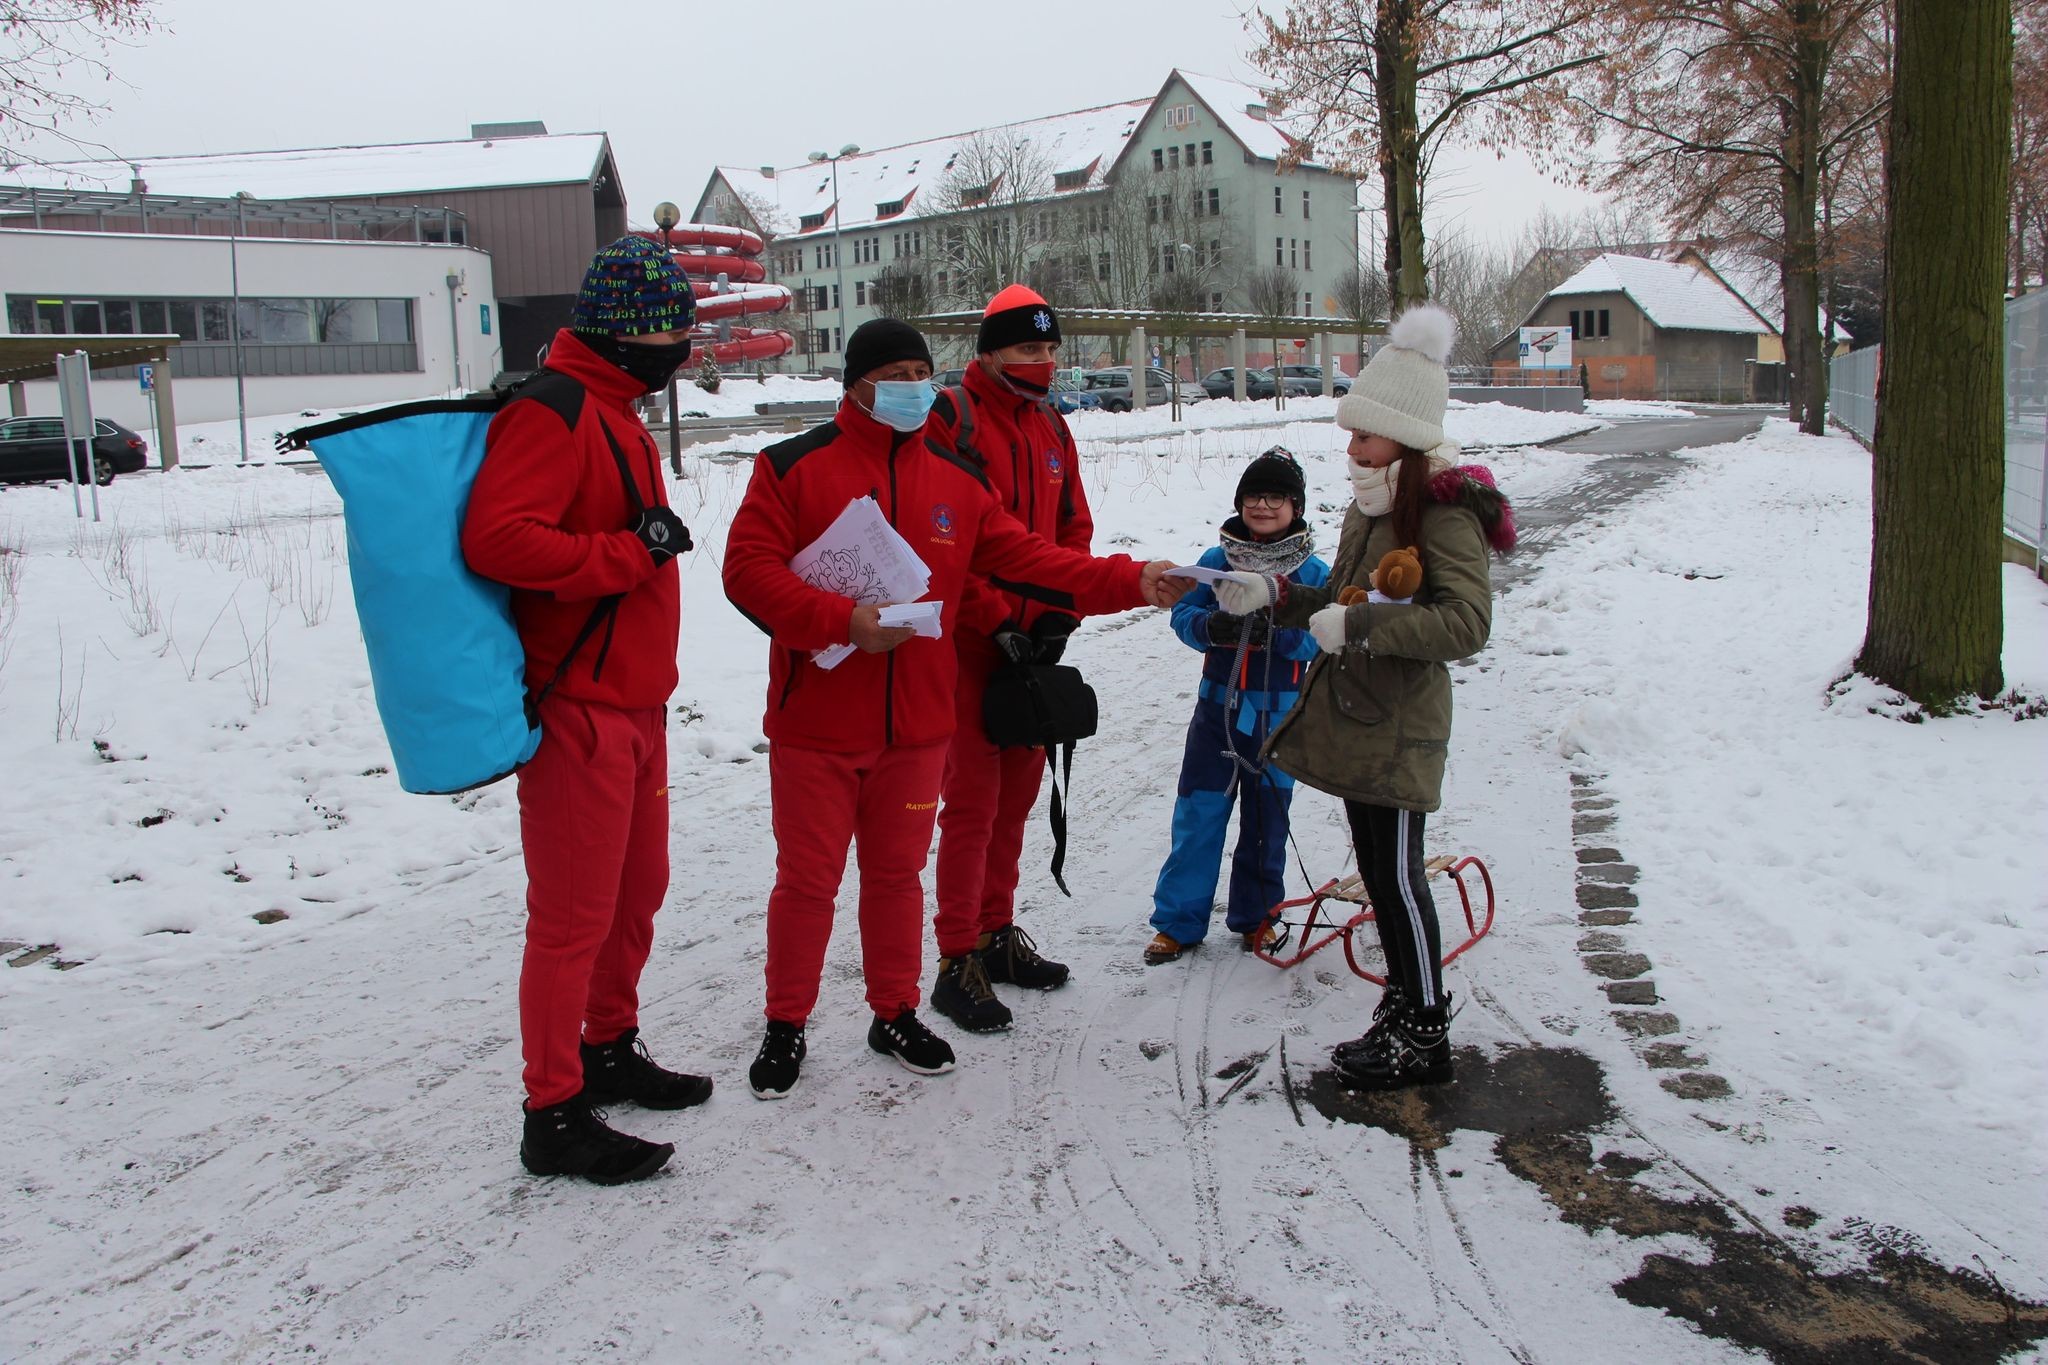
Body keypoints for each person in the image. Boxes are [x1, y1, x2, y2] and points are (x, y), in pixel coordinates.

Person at [722, 318, 1188, 1100]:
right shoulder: (791, 466)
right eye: (896, 372)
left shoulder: (956, 480)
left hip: (917, 725)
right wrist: (842, 622)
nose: (914, 386)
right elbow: (746, 571)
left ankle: (894, 1009)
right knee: (807, 881)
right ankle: (786, 1021)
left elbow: (1039, 563)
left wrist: (1133, 579)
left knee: (897, 875)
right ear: (857, 383)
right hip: (817, 727)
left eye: (922, 371)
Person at [1211, 305, 1515, 1092]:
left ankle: (1424, 1032)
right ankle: (1404, 1010)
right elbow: (1334, 603)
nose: (1350, 448)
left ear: (1404, 437)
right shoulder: (1371, 502)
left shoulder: (1442, 509)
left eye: (1364, 435)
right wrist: (1270, 597)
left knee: (1402, 881)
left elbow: (1467, 622)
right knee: (1379, 878)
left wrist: (1366, 626)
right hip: (1361, 726)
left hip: (1403, 729)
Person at [462, 234, 714, 1185]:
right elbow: (499, 539)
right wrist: (625, 552)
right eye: (669, 331)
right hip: (577, 706)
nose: (680, 347)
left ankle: (608, 1046)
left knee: (633, 896)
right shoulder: (556, 409)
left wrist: (632, 544)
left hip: (638, 706)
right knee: (570, 917)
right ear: (621, 333)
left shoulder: (619, 409)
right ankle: (552, 1109)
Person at [927, 284, 1092, 1036]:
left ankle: (995, 936)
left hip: (1035, 648)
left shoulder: (1054, 427)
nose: (1044, 362)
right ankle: (954, 956)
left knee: (1016, 800)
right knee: (970, 806)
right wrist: (995, 620)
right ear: (990, 352)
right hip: (968, 647)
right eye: (1029, 349)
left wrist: (1061, 611)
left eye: (1051, 348)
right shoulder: (951, 421)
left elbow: (1073, 528)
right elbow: (940, 542)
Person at [1145, 448, 1330, 965]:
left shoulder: (1313, 572)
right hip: (1216, 715)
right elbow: (1183, 615)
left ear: (1295, 506)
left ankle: (1258, 918)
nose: (1263, 506)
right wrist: (1208, 627)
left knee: (1267, 823)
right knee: (1197, 817)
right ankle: (1178, 923)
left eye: (1275, 497)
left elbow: (1322, 638)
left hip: (1279, 718)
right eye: (1253, 496)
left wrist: (1280, 631)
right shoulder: (1215, 561)